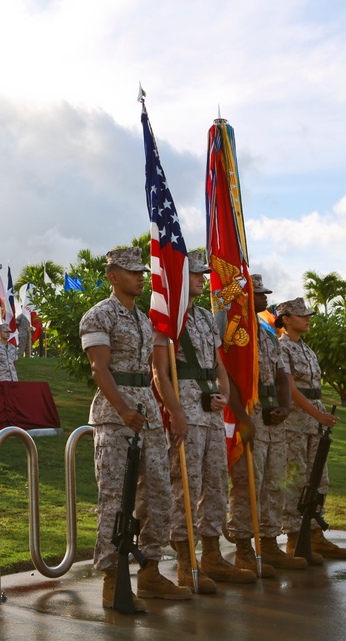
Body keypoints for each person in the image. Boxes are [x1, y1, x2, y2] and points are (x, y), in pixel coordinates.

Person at [80, 246, 190, 612]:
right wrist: (124, 409)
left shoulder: (146, 320)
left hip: (147, 414)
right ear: (113, 276)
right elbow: (100, 370)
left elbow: (156, 371)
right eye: (131, 271)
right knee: (116, 501)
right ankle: (114, 582)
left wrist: (169, 411)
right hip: (116, 417)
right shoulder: (98, 316)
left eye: (141, 271)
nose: (141, 277)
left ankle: (151, 573)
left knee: (159, 495)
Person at [153, 249, 256, 595]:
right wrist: (175, 412)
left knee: (215, 481)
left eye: (202, 274)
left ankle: (211, 553)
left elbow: (218, 364)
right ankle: (186, 560)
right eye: (197, 275)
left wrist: (225, 398)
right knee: (187, 483)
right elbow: (160, 372)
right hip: (187, 412)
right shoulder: (169, 319)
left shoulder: (202, 318)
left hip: (211, 412)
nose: (202, 280)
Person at [226, 275, 307, 576]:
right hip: (250, 413)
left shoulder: (268, 334)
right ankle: (244, 548)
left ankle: (270, 543)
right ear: (246, 296)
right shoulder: (236, 333)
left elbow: (282, 375)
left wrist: (285, 407)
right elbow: (232, 378)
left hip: (273, 415)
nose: (264, 299)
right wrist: (242, 417)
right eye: (259, 294)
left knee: (275, 482)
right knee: (249, 482)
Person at [276, 297, 346, 561]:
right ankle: (295, 537)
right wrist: (318, 414)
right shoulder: (281, 348)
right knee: (295, 481)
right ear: (286, 319)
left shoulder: (308, 350)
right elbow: (291, 389)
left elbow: (313, 388)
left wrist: (319, 417)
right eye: (301, 315)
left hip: (314, 426)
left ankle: (315, 533)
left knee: (318, 478)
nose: (307, 318)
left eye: (308, 314)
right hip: (294, 424)